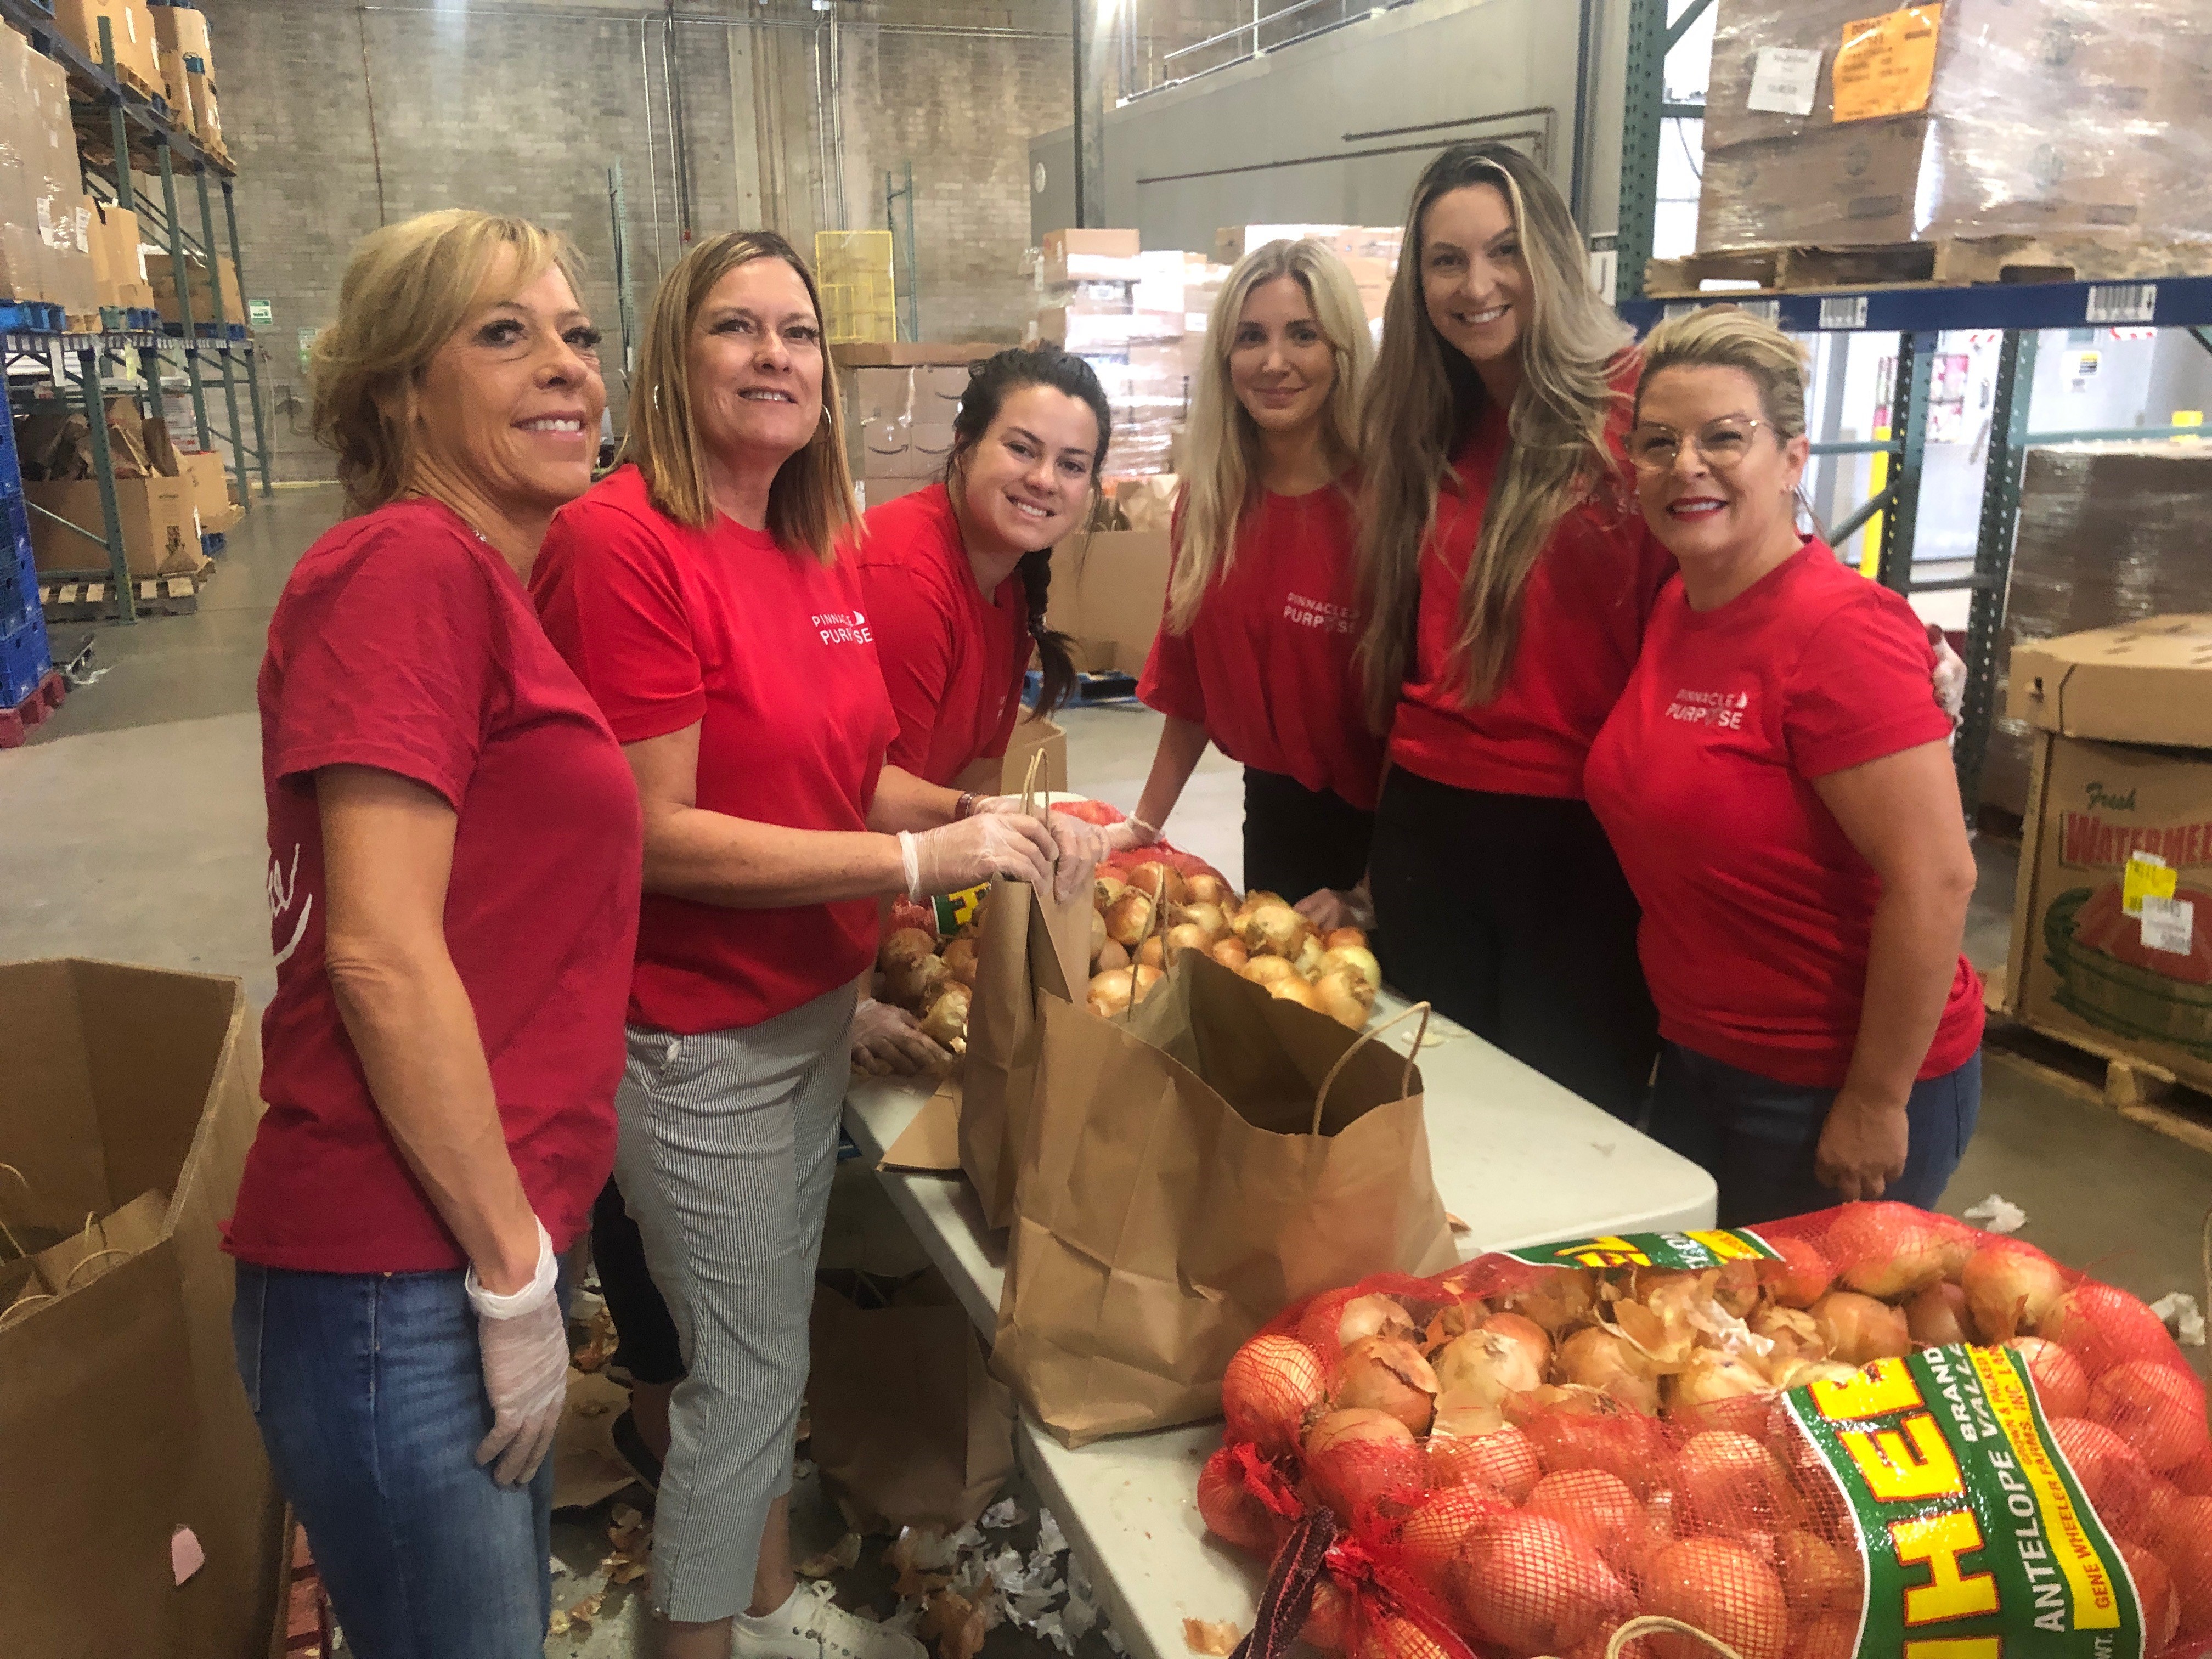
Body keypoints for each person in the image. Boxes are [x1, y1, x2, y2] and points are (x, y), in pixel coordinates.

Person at [530, 230, 1088, 1659]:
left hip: (806, 1008)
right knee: (747, 1373)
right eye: (736, 327)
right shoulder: (625, 544)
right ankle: (700, 1636)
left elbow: (846, 771)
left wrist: (973, 809)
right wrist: (920, 858)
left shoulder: (811, 543)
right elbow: (654, 831)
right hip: (693, 1037)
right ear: (674, 356)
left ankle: (758, 1600)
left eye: (797, 331)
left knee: (761, 1357)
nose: (774, 355)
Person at [224, 210, 640, 1658]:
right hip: (399, 1274)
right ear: (400, 387)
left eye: (579, 336)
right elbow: (380, 956)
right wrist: (514, 1275)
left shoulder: (486, 588)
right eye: (503, 334)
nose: (566, 369)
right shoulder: (407, 568)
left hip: (456, 1249)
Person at [1584, 307, 1983, 1224]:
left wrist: (1876, 1098)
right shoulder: (1676, 606)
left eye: (1725, 437)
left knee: (1781, 1354)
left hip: (1828, 1080)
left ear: (1791, 458)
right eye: (1658, 443)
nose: (1687, 463)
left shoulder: (1840, 631)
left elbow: (1935, 877)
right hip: (1700, 1054)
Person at [1350, 141, 1670, 1121]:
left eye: (1504, 252)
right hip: (1429, 825)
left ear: (1553, 260)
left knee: (1571, 1128)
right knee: (1438, 1115)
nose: (1476, 285)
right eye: (1446, 260)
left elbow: (1745, 580)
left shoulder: (1637, 409)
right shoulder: (1425, 420)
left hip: (1575, 838)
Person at [845, 346, 1118, 1074]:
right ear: (964, 447)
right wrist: (851, 999)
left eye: (1071, 464)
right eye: (1021, 449)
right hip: (803, 916)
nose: (1043, 480)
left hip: (871, 902)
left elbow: (976, 772)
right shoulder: (907, 574)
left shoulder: (1009, 583)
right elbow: (862, 798)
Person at [1113, 238, 1385, 908]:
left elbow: (1426, 724)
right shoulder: (1212, 506)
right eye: (1250, 338)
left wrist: (1372, 893)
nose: (1274, 362)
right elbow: (1190, 685)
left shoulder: (1390, 507)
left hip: (1395, 829)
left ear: (1342, 350)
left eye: (1303, 335)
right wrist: (1142, 828)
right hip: (1274, 810)